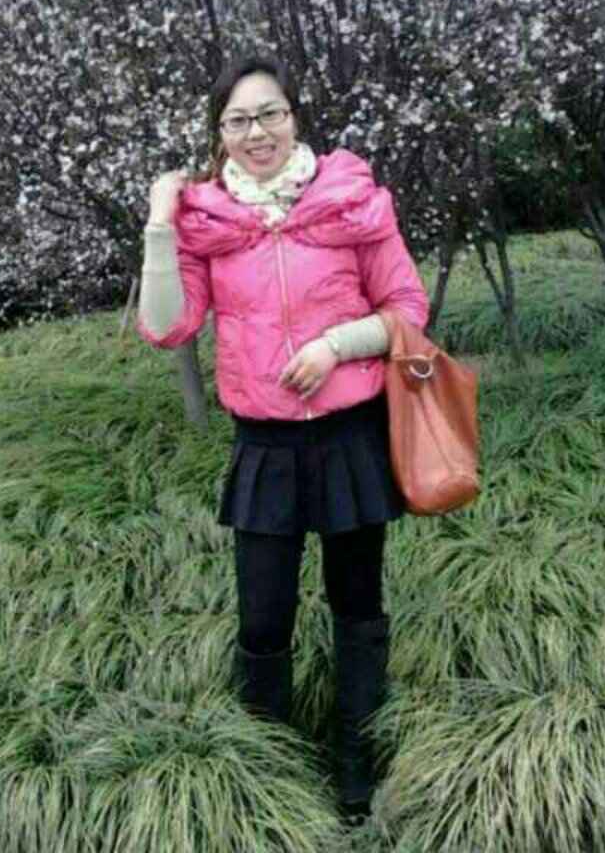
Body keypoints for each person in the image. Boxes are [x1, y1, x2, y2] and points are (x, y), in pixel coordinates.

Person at [135, 54, 429, 818]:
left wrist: (338, 345)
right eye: (237, 119)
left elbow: (407, 307)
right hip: (265, 447)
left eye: (269, 113)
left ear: (294, 117)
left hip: (351, 437)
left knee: (355, 602)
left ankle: (356, 762)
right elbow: (167, 327)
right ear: (220, 133)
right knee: (263, 618)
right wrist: (161, 225)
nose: (256, 131)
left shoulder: (349, 201)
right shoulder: (208, 222)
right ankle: (267, 772)